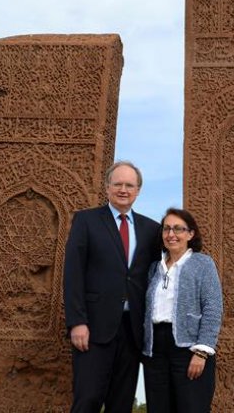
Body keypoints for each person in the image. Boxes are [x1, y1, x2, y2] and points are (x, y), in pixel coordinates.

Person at [64, 161, 162, 413]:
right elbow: (73, 273)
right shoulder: (86, 220)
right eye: (117, 184)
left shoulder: (151, 229)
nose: (123, 189)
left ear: (138, 190)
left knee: (121, 404)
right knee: (88, 399)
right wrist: (77, 321)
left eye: (129, 185)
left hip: (132, 331)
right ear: (107, 187)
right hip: (93, 329)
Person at [142, 208, 223, 413]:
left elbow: (213, 307)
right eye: (167, 229)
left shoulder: (203, 264)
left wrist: (202, 352)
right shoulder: (154, 268)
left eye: (178, 229)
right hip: (155, 351)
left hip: (189, 348)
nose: (171, 234)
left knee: (191, 407)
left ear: (190, 234)